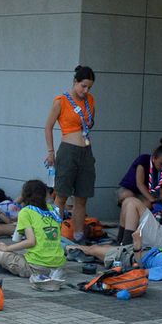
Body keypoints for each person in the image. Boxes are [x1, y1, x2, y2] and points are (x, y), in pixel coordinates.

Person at [45, 65, 96, 244]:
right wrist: (50, 151)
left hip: (86, 150)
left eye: (89, 87)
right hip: (68, 149)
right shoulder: (61, 101)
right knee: (61, 195)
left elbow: (89, 123)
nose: (85, 90)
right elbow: (48, 126)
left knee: (82, 196)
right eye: (83, 86)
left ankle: (78, 235)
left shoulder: (90, 100)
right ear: (75, 82)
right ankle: (53, 237)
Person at [0, 180, 66, 289]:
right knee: (21, 253)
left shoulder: (26, 212)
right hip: (58, 264)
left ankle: (11, 267)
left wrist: (7, 248)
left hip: (37, 267)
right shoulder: (53, 209)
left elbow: (30, 241)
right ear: (45, 194)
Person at [117, 139, 162, 206]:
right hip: (128, 190)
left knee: (148, 205)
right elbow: (140, 184)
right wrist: (152, 199)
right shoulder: (144, 159)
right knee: (129, 197)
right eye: (161, 163)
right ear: (154, 158)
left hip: (142, 194)